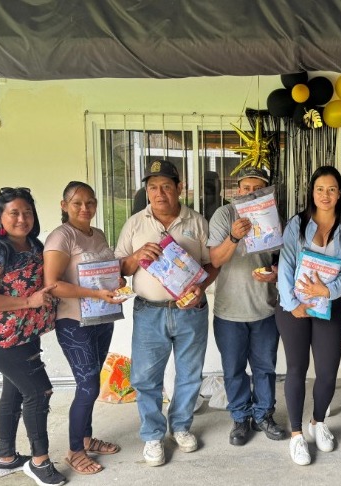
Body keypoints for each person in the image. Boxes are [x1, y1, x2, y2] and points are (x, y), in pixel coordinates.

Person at [114, 159, 219, 467]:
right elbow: (119, 268)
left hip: (190, 310)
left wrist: (201, 288)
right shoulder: (135, 223)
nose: (159, 194)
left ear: (179, 188)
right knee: (145, 378)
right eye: (152, 188)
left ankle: (182, 426)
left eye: (166, 187)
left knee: (189, 374)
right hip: (149, 311)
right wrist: (136, 256)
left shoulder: (197, 222)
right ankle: (152, 435)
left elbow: (212, 264)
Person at [0, 187, 66, 486]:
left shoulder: (34, 245)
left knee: (13, 393)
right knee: (39, 392)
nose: (22, 219)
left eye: (27, 212)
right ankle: (39, 462)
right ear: (0, 216)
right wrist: (29, 301)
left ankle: (6, 458)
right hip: (1, 339)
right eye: (14, 213)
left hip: (25, 335)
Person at [276, 165, 341, 466]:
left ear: (340, 194)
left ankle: (318, 421)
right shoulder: (297, 223)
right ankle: (297, 434)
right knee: (296, 369)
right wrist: (291, 303)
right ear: (312, 192)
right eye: (320, 189)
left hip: (328, 306)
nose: (325, 195)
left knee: (327, 371)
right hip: (295, 308)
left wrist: (328, 291)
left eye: (331, 189)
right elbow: (286, 263)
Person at [43, 181, 121, 476]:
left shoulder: (97, 234)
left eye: (90, 202)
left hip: (101, 318)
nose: (85, 208)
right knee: (87, 385)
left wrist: (115, 282)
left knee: (92, 382)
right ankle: (75, 450)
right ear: (64, 206)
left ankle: (87, 438)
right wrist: (95, 294)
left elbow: (102, 273)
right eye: (77, 203)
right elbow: (52, 284)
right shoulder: (61, 237)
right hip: (74, 322)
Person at [208, 167, 285, 446]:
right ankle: (240, 418)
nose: (251, 193)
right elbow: (215, 260)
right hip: (230, 311)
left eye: (258, 189)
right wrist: (234, 237)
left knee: (265, 367)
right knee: (234, 369)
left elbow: (283, 257)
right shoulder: (224, 215)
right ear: (237, 190)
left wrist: (276, 273)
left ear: (266, 192)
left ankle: (264, 415)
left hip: (264, 306)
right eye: (246, 188)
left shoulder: (273, 216)